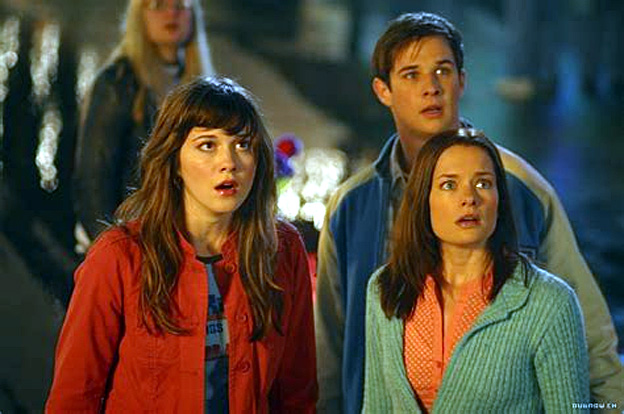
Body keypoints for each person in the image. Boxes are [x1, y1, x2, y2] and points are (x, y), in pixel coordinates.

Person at [315, 11, 622, 413]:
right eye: (411, 75)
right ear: (382, 90)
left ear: (462, 80)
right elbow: (329, 345)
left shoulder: (521, 189)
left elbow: (589, 334)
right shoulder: (351, 205)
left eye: (442, 71)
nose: (431, 88)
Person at [46, 77, 317, 413]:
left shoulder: (282, 249)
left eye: (243, 144)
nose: (229, 162)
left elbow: (297, 394)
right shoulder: (119, 256)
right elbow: (74, 397)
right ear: (174, 160)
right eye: (207, 145)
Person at [362, 129, 589, 413]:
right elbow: (377, 406)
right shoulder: (386, 287)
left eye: (483, 183)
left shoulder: (549, 302)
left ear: (499, 199)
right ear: (424, 199)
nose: (469, 198)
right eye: (449, 185)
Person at [74, 0, 214, 242]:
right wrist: (114, 247)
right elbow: (93, 181)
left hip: (180, 240)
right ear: (139, 15)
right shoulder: (118, 83)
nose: (171, 13)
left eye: (181, 5)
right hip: (132, 239)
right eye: (158, 4)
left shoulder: (201, 86)